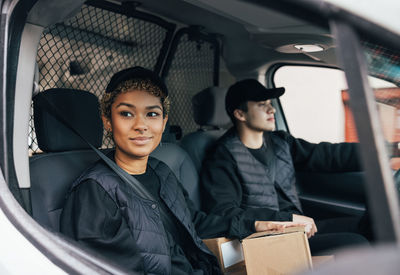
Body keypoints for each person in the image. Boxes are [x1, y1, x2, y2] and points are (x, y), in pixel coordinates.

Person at [60, 67, 301, 274]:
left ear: (163, 123)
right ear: (107, 122)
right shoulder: (94, 190)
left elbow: (192, 222)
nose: (141, 125)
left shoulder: (160, 171)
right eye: (126, 114)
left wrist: (256, 224)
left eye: (152, 114)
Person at [200, 79, 371, 255]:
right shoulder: (222, 157)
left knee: (371, 227)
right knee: (357, 244)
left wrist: (380, 151)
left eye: (270, 103)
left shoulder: (280, 142)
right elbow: (224, 212)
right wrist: (284, 219)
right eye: (261, 105)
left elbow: (327, 155)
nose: (271, 109)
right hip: (266, 240)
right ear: (240, 114)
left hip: (295, 228)